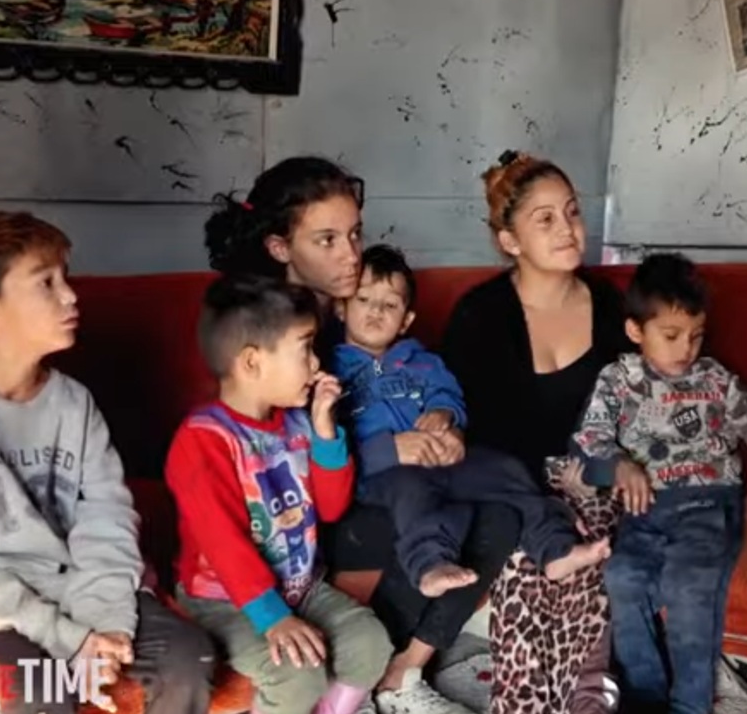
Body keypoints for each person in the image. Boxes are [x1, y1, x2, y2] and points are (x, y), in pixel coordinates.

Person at [0, 211, 216, 714]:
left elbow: (108, 516)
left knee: (189, 657)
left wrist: (108, 626)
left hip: (82, 588)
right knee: (42, 688)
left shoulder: (74, 403)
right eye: (46, 283)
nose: (71, 296)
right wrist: (68, 639)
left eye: (65, 278)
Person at [204, 156, 517, 714]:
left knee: (495, 515)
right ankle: (369, 670)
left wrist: (444, 427)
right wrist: (392, 450)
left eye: (354, 234)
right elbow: (274, 462)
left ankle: (405, 669)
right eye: (327, 240)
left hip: (372, 483)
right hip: (306, 509)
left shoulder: (357, 320)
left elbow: (420, 389)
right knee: (424, 510)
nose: (351, 255)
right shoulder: (273, 336)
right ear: (280, 248)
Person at [568, 253, 747, 714]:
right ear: (635, 331)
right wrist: (618, 465)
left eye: (696, 334)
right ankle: (645, 698)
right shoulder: (617, 380)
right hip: (644, 511)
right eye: (671, 335)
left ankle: (690, 704)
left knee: (689, 586)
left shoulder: (715, 380)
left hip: (708, 505)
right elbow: (589, 441)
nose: (686, 348)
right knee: (622, 577)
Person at [441, 150, 635, 714]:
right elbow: (473, 432)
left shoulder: (608, 305)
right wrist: (544, 493)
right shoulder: (481, 314)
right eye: (544, 219)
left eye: (572, 212)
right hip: (512, 478)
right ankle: (524, 702)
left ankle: (586, 696)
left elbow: (633, 406)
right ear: (510, 240)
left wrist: (596, 471)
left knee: (591, 534)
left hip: (592, 471)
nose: (568, 228)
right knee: (530, 549)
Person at [166, 274, 393, 714]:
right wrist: (273, 618)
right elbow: (223, 543)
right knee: (296, 675)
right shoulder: (203, 440)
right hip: (223, 599)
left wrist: (325, 432)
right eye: (305, 348)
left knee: (370, 643)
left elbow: (331, 508)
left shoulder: (296, 424)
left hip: (300, 586)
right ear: (252, 362)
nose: (316, 363)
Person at [333, 243, 610, 598]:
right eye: (363, 300)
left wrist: (447, 418)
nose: (376, 311)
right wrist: (390, 451)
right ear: (341, 307)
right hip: (384, 475)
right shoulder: (331, 370)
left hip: (444, 462)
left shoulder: (422, 360)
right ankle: (431, 564)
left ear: (406, 320)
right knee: (412, 491)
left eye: (390, 305)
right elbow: (328, 443)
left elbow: (447, 394)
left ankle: (556, 548)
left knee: (505, 469)